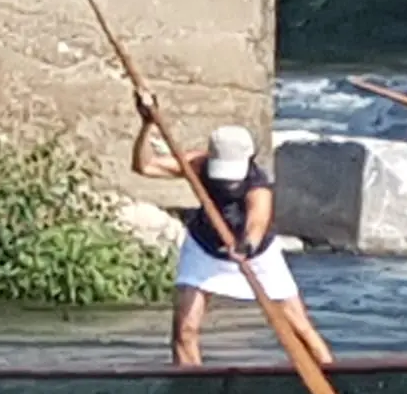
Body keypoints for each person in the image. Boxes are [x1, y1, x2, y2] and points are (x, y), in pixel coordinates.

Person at [130, 92, 335, 367]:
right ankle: (190, 388)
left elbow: (257, 223)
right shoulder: (198, 164)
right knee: (185, 330)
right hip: (204, 248)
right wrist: (147, 125)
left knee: (298, 327)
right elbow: (144, 166)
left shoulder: (258, 185)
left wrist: (245, 246)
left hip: (257, 254)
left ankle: (335, 381)